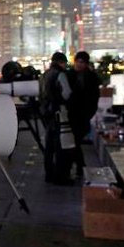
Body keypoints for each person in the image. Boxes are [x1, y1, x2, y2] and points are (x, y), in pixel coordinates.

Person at [39, 51, 74, 185]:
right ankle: (61, 176)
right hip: (59, 113)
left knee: (49, 146)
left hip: (46, 113)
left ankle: (49, 174)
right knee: (61, 146)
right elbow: (67, 93)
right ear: (61, 62)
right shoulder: (60, 74)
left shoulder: (44, 75)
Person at [66, 51, 101, 178]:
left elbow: (94, 98)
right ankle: (80, 166)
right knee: (74, 141)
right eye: (78, 61)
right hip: (72, 113)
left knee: (74, 141)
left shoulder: (90, 77)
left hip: (82, 114)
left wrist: (89, 114)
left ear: (86, 64)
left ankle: (80, 166)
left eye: (82, 62)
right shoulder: (69, 75)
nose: (79, 64)